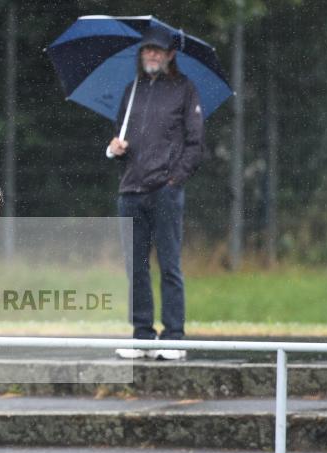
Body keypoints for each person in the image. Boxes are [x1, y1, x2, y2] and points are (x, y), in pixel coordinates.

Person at [108, 26, 204, 361]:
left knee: (169, 265)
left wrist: (174, 179)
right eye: (147, 50)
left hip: (165, 191)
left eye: (157, 50)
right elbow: (119, 137)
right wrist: (113, 149)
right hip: (130, 190)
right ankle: (142, 336)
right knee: (135, 267)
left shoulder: (184, 90)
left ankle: (174, 336)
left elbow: (195, 144)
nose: (151, 55)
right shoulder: (130, 90)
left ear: (170, 55)